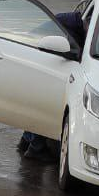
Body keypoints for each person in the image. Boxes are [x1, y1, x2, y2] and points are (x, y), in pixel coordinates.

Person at [17, 10, 88, 158]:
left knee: (37, 103)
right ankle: (36, 148)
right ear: (87, 23)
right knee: (45, 104)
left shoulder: (71, 20)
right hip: (41, 59)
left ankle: (26, 141)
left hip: (34, 53)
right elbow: (73, 52)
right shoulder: (71, 31)